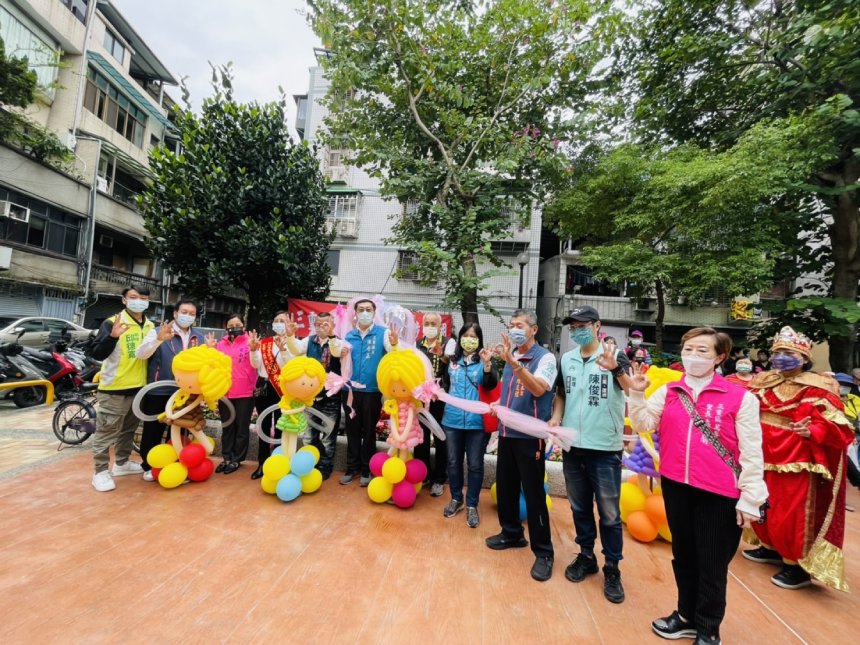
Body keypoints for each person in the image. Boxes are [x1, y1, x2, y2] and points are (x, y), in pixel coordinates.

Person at [627, 327, 768, 645]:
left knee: (712, 563)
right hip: (677, 486)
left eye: (702, 350)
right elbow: (644, 425)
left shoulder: (740, 398)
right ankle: (686, 615)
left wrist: (751, 496)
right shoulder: (669, 392)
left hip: (720, 494)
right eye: (688, 349)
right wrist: (636, 394)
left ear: (720, 357)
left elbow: (752, 451)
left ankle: (708, 628)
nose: (692, 355)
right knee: (684, 555)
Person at [744, 327, 854, 591]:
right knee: (763, 504)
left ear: (804, 358)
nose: (781, 357)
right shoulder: (763, 381)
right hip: (761, 453)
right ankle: (770, 547)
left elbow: (840, 427)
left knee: (790, 513)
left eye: (789, 353)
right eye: (778, 352)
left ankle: (796, 565)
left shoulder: (819, 387)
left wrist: (812, 430)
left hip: (797, 457)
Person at [549, 306, 631, 604]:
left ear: (597, 326)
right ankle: (586, 556)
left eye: (582, 325)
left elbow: (631, 389)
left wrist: (616, 368)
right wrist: (556, 418)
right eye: (573, 327)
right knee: (579, 507)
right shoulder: (567, 359)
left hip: (605, 448)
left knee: (609, 514)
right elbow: (561, 393)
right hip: (573, 445)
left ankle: (612, 567)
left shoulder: (614, 356)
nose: (577, 331)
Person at [486, 309, 557, 582]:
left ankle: (544, 552)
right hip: (507, 433)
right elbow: (509, 395)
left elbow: (539, 389)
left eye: (520, 325)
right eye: (512, 325)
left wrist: (515, 364)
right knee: (506, 487)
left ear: (534, 329)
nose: (515, 329)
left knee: (534, 493)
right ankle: (511, 533)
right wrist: (498, 407)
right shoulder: (510, 357)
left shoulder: (545, 358)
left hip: (530, 437)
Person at [89, 285, 156, 492]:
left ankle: (122, 462)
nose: (139, 301)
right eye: (134, 297)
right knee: (107, 431)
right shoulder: (113, 322)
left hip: (138, 388)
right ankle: (100, 472)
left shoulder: (150, 325)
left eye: (143, 298)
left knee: (128, 429)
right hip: (114, 387)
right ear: (124, 300)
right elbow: (97, 353)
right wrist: (112, 337)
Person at [136, 299, 205, 481]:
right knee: (153, 431)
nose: (187, 316)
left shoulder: (198, 337)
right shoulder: (158, 331)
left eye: (192, 314)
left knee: (181, 432)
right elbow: (141, 354)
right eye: (184, 312)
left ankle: (177, 464)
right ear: (175, 313)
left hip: (185, 394)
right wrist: (159, 340)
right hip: (160, 389)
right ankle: (149, 465)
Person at [442, 322, 498, 528]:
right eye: (465, 335)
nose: (469, 339)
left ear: (479, 340)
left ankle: (472, 505)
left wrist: (487, 365)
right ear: (460, 338)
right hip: (452, 420)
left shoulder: (484, 360)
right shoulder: (452, 360)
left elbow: (491, 385)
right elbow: (445, 383)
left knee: (475, 464)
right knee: (453, 462)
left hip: (477, 423)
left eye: (473, 336)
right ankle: (456, 499)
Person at [282, 311, 346, 480]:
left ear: (332, 324)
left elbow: (337, 352)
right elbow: (296, 349)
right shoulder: (309, 341)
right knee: (309, 435)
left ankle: (325, 466)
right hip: (310, 396)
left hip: (331, 397)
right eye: (318, 324)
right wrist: (290, 336)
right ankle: (313, 461)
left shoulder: (338, 342)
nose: (321, 327)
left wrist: (331, 335)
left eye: (325, 324)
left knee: (328, 436)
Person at [342, 298, 399, 486]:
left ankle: (366, 469)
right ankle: (351, 468)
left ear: (374, 313)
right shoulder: (349, 336)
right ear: (355, 313)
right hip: (350, 391)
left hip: (372, 391)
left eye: (368, 309)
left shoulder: (383, 334)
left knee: (368, 430)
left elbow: (392, 351)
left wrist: (395, 343)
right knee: (352, 430)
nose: (364, 313)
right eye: (361, 309)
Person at [210, 314, 261, 474]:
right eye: (231, 325)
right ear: (227, 327)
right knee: (227, 426)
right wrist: (211, 350)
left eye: (237, 324)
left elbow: (256, 364)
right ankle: (226, 457)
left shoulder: (250, 342)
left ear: (243, 326)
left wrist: (254, 349)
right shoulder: (220, 344)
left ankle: (237, 459)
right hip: (224, 391)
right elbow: (214, 365)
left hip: (245, 391)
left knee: (241, 427)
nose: (234, 327)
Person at [250, 311, 290, 479]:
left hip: (283, 388)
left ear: (289, 324)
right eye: (276, 320)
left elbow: (293, 365)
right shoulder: (265, 343)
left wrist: (284, 349)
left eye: (283, 320)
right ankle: (262, 462)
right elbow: (255, 364)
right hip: (264, 386)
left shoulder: (295, 344)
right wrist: (253, 350)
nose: (279, 323)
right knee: (264, 425)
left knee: (282, 426)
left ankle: (279, 463)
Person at [414, 312, 449, 496]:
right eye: (426, 323)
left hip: (440, 399)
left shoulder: (449, 342)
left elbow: (451, 363)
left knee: (441, 437)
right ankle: (423, 474)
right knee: (421, 437)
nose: (429, 326)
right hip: (421, 398)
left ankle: (439, 478)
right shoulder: (417, 344)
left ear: (440, 325)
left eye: (433, 323)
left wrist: (442, 354)